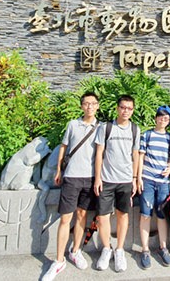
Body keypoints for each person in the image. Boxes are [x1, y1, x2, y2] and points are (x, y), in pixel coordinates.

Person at [43, 92, 100, 281]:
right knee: (65, 217)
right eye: (86, 104)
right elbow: (63, 147)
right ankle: (59, 261)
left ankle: (75, 250)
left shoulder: (101, 128)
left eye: (93, 104)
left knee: (82, 215)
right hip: (71, 177)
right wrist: (59, 170)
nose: (89, 107)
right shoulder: (72, 125)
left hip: (90, 178)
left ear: (98, 106)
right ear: (82, 106)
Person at [93, 95, 140, 273]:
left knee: (123, 215)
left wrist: (135, 179)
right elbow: (99, 153)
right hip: (106, 179)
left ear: (133, 110)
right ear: (117, 108)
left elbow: (135, 155)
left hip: (126, 180)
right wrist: (97, 178)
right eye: (123, 107)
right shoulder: (106, 128)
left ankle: (119, 250)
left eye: (129, 108)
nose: (125, 111)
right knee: (103, 215)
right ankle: (106, 248)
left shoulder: (135, 129)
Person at [137, 105, 170, 269]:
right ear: (155, 118)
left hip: (164, 182)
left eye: (166, 118)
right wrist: (137, 178)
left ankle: (163, 247)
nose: (163, 120)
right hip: (148, 180)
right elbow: (140, 157)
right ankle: (145, 249)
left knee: (161, 215)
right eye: (160, 117)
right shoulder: (147, 135)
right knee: (145, 214)